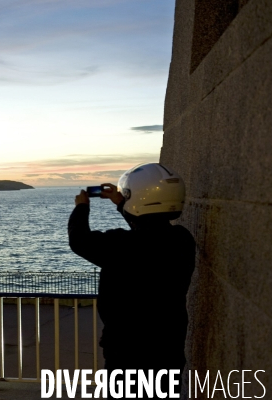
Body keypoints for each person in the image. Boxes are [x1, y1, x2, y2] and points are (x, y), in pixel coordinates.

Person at [68, 163, 195, 398]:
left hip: (127, 352)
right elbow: (149, 234)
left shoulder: (121, 245)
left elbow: (79, 240)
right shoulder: (182, 240)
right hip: (169, 347)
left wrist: (81, 208)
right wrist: (122, 203)